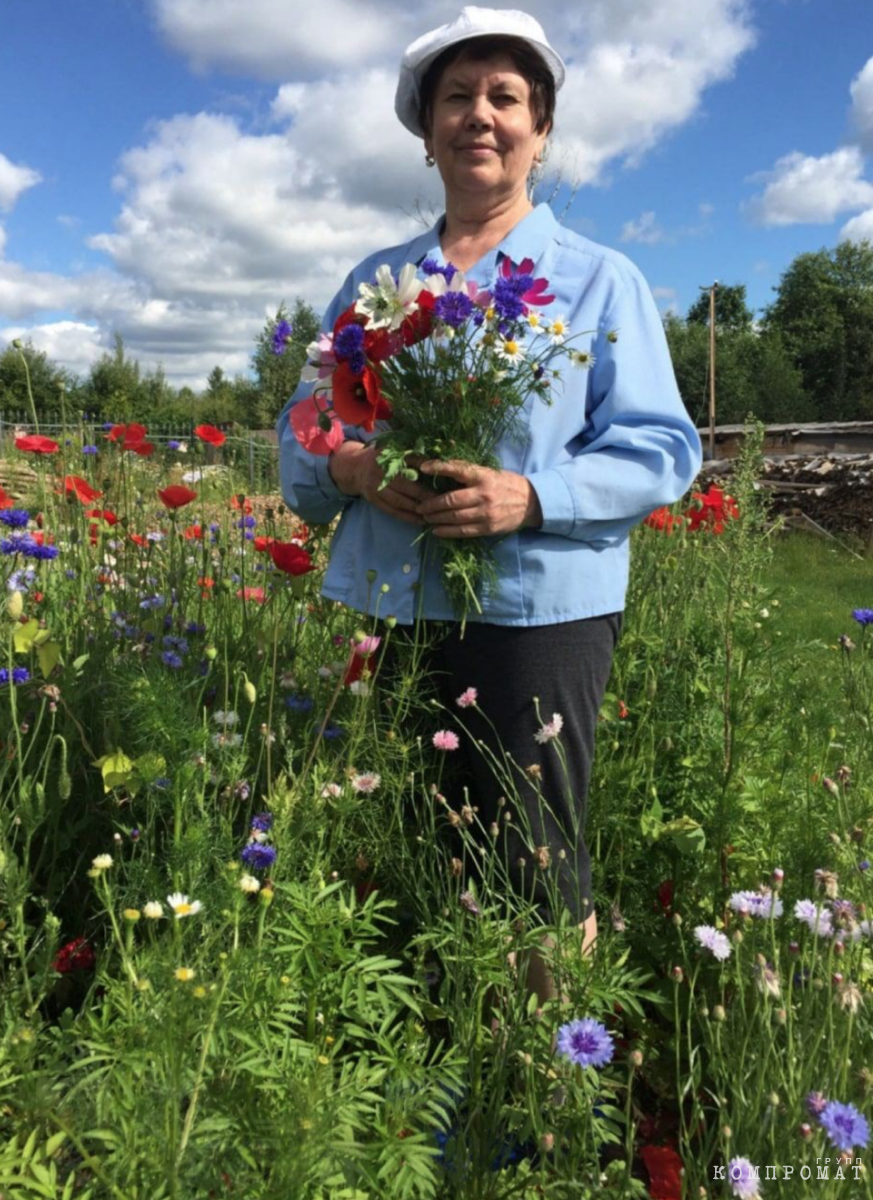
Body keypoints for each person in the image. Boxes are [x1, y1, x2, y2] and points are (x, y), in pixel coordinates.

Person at [276, 6, 703, 1000]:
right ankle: (439, 1062)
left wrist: (532, 494)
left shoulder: (598, 280)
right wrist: (349, 470)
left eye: (504, 97)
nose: (480, 115)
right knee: (418, 841)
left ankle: (545, 1098)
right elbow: (304, 424)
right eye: (455, 98)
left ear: (540, 129)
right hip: (395, 605)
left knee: (532, 858)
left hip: (536, 615)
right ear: (425, 134)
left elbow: (661, 447)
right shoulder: (376, 285)